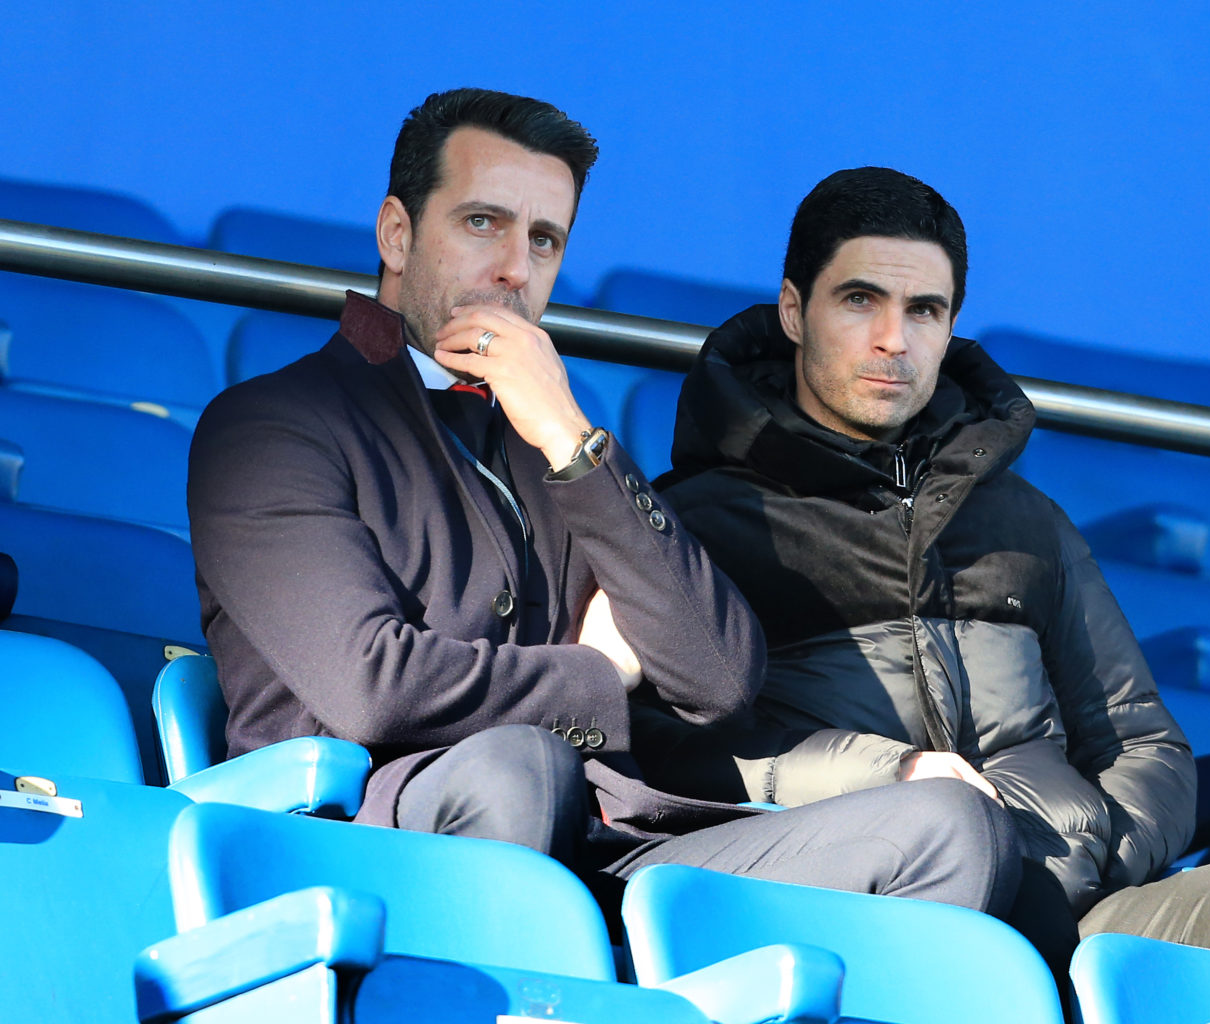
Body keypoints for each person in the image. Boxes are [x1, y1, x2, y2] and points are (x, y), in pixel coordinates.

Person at [188, 90, 1033, 925]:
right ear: (397, 234)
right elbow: (374, 690)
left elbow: (718, 678)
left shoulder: (556, 435)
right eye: (484, 222)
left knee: (952, 828)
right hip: (370, 848)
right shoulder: (270, 426)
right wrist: (602, 674)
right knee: (517, 767)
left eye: (544, 240)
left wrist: (567, 435)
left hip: (600, 844)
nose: (516, 267)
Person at [644, 166, 1210, 975]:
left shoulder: (1024, 521)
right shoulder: (702, 519)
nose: (893, 340)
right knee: (953, 852)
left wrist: (1086, 859)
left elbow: (1144, 743)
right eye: (860, 300)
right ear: (795, 310)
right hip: (861, 902)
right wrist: (894, 780)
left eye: (924, 311)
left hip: (1070, 909)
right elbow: (676, 752)